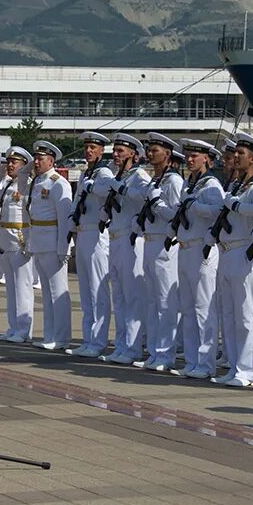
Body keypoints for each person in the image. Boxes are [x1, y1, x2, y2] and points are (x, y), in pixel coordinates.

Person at [208, 133, 253, 388]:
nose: (235, 159)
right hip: (227, 252)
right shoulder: (236, 186)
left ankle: (246, 370)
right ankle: (233, 366)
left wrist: (236, 206)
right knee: (230, 314)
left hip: (243, 252)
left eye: (240, 155)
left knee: (245, 315)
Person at [125, 134, 185, 371]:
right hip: (150, 243)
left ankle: (166, 354)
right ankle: (154, 352)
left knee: (165, 303)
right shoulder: (155, 181)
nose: (150, 154)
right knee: (152, 302)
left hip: (165, 245)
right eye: (149, 150)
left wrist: (158, 205)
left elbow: (177, 215)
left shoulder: (173, 182)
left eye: (155, 150)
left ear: (167, 154)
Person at [170, 138, 223, 378]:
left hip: (203, 249)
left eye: (195, 156)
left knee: (203, 308)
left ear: (206, 159)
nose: (190, 159)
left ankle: (206, 363)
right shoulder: (188, 184)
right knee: (188, 308)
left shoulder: (211, 184)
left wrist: (196, 206)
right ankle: (191, 361)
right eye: (188, 155)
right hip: (184, 248)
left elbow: (218, 212)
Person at [96, 133, 150, 364]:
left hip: (130, 240)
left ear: (133, 155)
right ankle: (121, 345)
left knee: (132, 297)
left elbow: (146, 196)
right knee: (118, 296)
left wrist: (123, 190)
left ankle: (133, 347)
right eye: (115, 151)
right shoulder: (119, 175)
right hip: (115, 238)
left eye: (121, 151)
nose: (116, 155)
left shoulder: (139, 175)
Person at [67, 132, 114, 357]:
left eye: (93, 147)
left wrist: (91, 186)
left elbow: (108, 190)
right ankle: (88, 339)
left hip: (97, 234)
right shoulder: (88, 172)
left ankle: (98, 341)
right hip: (83, 234)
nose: (89, 151)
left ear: (102, 150)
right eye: (87, 147)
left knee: (98, 290)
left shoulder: (103, 172)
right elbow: (77, 200)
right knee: (86, 290)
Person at [23, 140, 74, 350]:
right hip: (39, 241)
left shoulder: (58, 183)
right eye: (35, 158)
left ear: (51, 161)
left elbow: (64, 218)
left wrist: (65, 247)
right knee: (46, 293)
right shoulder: (37, 181)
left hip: (53, 243)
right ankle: (50, 334)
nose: (36, 162)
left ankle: (61, 337)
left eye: (40, 159)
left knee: (57, 291)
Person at [0, 146, 35, 342]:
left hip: (19, 238)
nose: (9, 165)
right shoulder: (8, 184)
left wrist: (27, 240)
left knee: (22, 286)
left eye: (14, 162)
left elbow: (30, 213)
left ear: (24, 166)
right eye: (8, 161)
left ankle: (24, 330)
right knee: (10, 286)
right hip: (5, 238)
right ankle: (13, 326)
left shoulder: (27, 185)